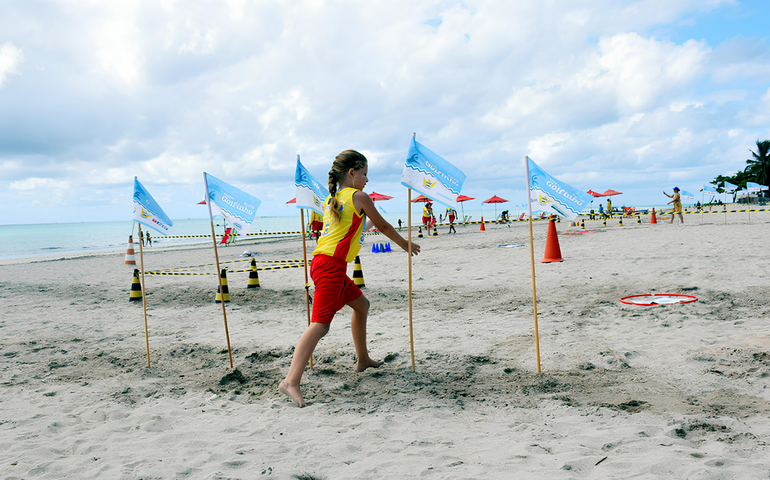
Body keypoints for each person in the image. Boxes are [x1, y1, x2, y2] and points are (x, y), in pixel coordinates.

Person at [279, 150, 421, 408]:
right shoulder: (359, 197)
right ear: (352, 173)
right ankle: (291, 381)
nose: (367, 180)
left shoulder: (333, 199)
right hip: (329, 267)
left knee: (362, 305)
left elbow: (352, 229)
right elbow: (385, 226)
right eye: (364, 174)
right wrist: (405, 244)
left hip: (326, 264)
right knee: (320, 326)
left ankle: (363, 359)